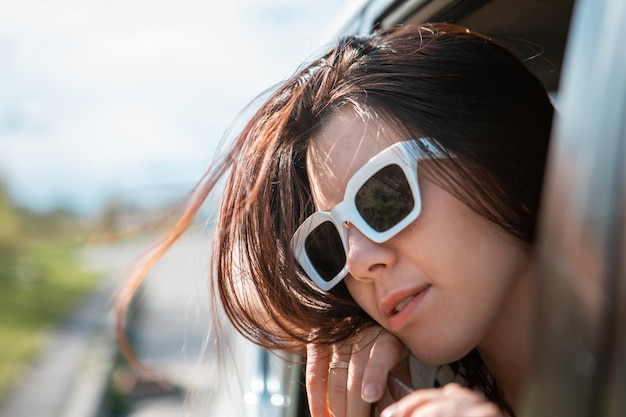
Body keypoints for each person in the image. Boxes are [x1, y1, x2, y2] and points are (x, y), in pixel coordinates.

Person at [117, 22, 554, 417]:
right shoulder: (410, 387)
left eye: (383, 197)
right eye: (327, 244)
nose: (358, 261)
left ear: (506, 166)